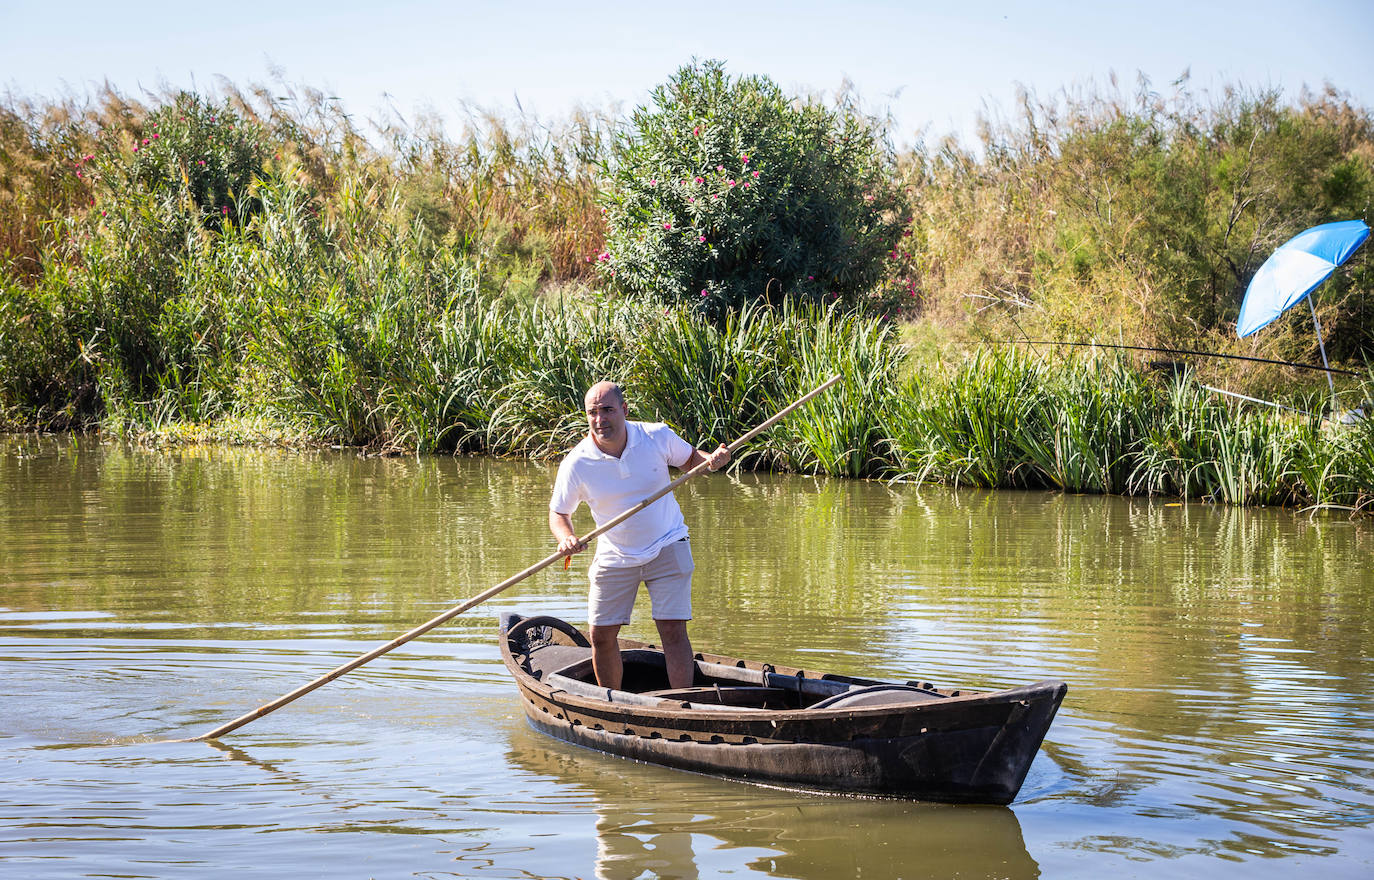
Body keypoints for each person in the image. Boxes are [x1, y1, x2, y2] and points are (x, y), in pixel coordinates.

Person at [549, 381, 730, 690]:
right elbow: (559, 513)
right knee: (600, 635)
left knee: (672, 630)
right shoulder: (577, 462)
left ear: (624, 410)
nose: (600, 419)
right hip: (615, 553)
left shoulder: (655, 436)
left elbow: (689, 460)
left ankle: (681, 705)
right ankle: (610, 702)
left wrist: (711, 461)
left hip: (668, 543)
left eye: (607, 410)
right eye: (592, 412)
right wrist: (566, 538)